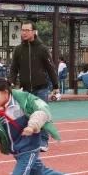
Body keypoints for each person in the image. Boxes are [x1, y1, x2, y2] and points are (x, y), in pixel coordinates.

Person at [9, 20, 59, 151]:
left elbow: (50, 68)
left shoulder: (42, 49)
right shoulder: (18, 50)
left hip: (41, 88)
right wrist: (11, 82)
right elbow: (14, 68)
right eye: (22, 30)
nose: (24, 33)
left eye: (27, 30)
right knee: (26, 115)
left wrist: (56, 85)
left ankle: (43, 141)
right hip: (25, 90)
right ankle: (28, 140)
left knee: (42, 114)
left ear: (34, 32)